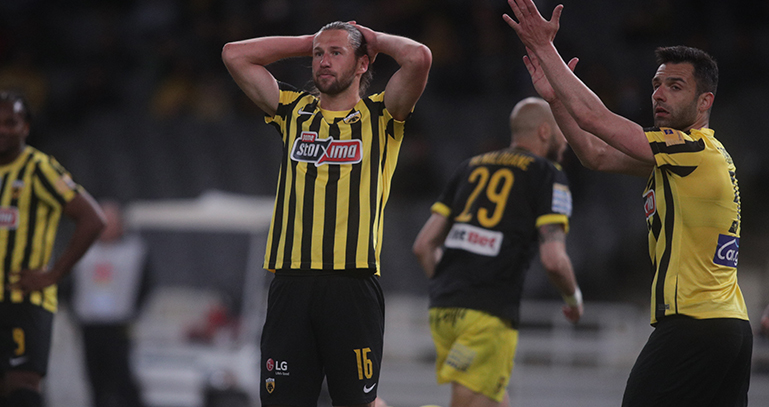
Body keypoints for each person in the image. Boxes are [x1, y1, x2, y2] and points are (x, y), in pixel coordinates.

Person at [504, 0, 751, 406]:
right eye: (656, 85)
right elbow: (595, 154)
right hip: (729, 327)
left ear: (704, 101)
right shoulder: (687, 160)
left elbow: (595, 119)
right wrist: (556, 100)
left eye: (675, 86)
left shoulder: (691, 150)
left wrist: (545, 49)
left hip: (693, 324)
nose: (659, 94)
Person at [222, 21, 432, 407]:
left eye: (336, 53)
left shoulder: (381, 115)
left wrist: (374, 39)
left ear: (363, 64)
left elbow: (418, 58)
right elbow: (234, 54)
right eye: (319, 55)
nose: (323, 61)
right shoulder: (293, 110)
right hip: (291, 281)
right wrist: (309, 41)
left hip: (351, 284)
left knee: (357, 403)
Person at [412, 97, 583, 407]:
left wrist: (451, 291)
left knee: (491, 397)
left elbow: (424, 246)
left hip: (444, 311)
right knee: (468, 402)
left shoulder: (470, 166)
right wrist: (574, 300)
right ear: (545, 131)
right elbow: (554, 260)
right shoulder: (547, 173)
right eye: (562, 130)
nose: (567, 140)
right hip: (486, 317)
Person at [0, 90, 106, 407]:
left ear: (25, 127)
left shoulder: (40, 168)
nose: (0, 129)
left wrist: (54, 274)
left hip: (25, 300)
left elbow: (93, 219)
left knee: (23, 384)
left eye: (10, 122)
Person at [69, 200, 150, 407]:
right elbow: (69, 284)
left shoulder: (134, 251)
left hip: (118, 325)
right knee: (94, 378)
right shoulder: (82, 249)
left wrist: (135, 311)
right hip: (89, 324)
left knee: (122, 379)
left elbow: (146, 285)